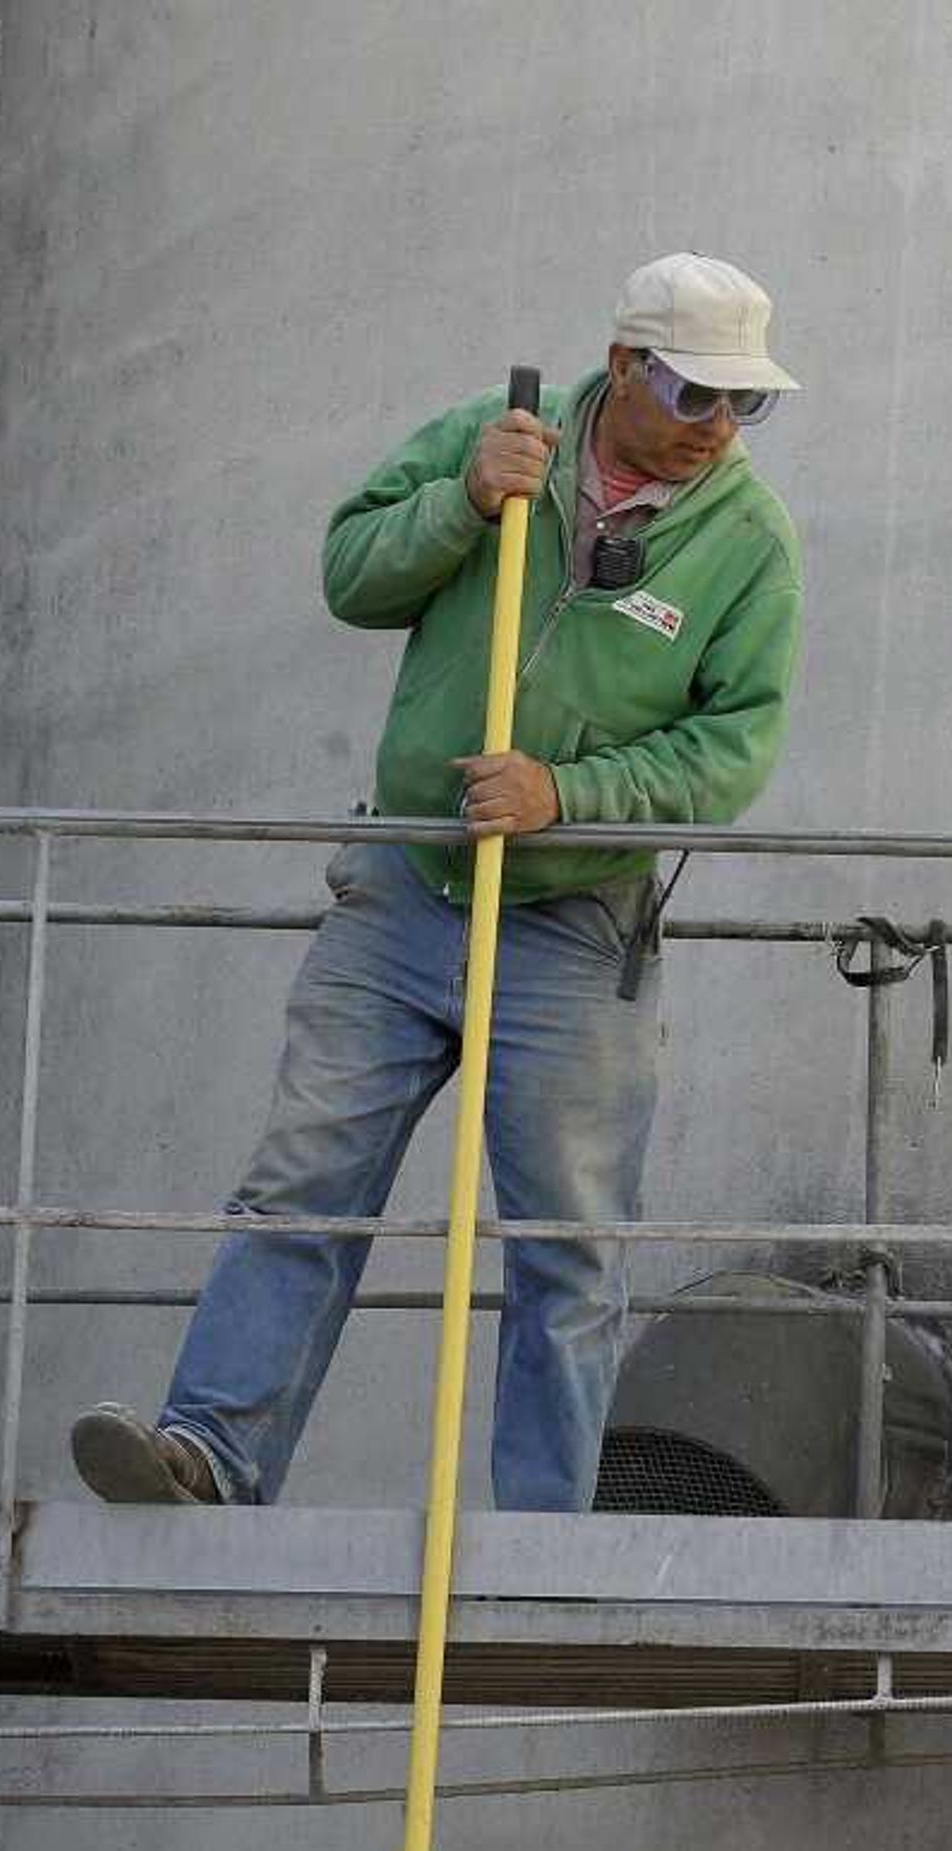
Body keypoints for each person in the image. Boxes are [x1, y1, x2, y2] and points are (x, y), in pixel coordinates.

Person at [70, 253, 805, 1510]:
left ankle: (540, 1539)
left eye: (750, 404)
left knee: (567, 1250)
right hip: (411, 885)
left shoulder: (750, 542)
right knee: (305, 1181)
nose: (722, 428)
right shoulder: (490, 435)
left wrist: (565, 796)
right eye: (697, 396)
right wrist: (462, 504)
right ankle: (212, 1457)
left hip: (576, 927)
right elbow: (351, 572)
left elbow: (731, 750)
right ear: (626, 364)